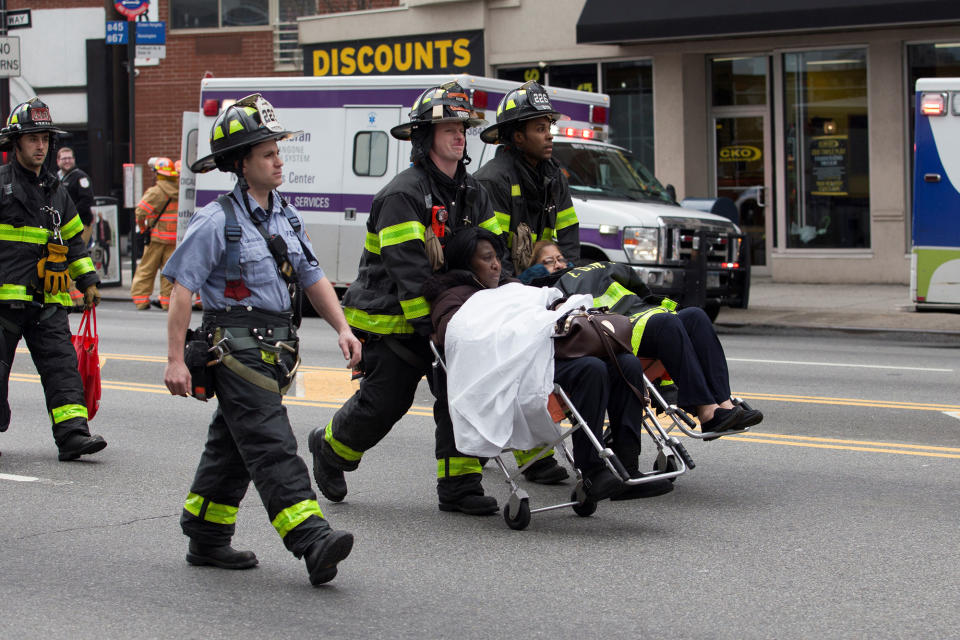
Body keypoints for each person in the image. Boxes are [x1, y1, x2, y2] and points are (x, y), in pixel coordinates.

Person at [162, 94, 361, 586]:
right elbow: (181, 292)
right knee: (272, 443)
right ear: (241, 163)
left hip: (275, 351)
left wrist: (343, 327)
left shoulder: (286, 216)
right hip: (234, 351)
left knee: (233, 444)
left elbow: (313, 277)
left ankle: (206, 534)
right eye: (267, 152)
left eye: (278, 150)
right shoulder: (216, 220)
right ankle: (312, 538)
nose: (278, 160)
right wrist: (174, 361)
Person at [307, 81, 505, 516]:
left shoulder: (474, 192)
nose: (459, 135)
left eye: (463, 127)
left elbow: (490, 254)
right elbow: (410, 276)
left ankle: (459, 486)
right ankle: (331, 449)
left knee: (459, 392)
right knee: (386, 404)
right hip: (394, 319)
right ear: (424, 136)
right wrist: (434, 328)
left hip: (448, 318)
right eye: (448, 127)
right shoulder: (403, 194)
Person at [424, 227, 661, 502]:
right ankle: (592, 470)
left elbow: (540, 308)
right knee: (591, 370)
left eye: (497, 257)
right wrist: (519, 327)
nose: (496, 264)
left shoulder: (510, 286)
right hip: (516, 368)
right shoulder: (452, 297)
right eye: (487, 258)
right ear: (467, 264)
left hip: (549, 352)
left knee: (627, 363)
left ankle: (627, 467)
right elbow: (459, 336)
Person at [522, 240, 763, 440]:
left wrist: (649, 301)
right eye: (548, 261)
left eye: (560, 258)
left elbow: (634, 282)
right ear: (535, 269)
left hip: (639, 312)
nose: (558, 264)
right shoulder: (542, 290)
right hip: (615, 331)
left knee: (697, 316)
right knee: (667, 323)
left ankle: (724, 405)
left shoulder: (595, 268)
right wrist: (538, 276)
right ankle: (706, 412)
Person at [473, 80, 580, 484]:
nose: (549, 134)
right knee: (519, 367)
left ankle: (529, 448)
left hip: (542, 288)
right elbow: (492, 255)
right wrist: (522, 289)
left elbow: (568, 235)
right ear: (517, 137)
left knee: (545, 367)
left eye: (549, 125)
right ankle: (531, 454)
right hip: (505, 292)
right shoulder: (494, 181)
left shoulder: (553, 175)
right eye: (539, 128)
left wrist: (566, 280)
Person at [0, 97, 106, 461]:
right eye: (33, 138)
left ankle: (73, 435)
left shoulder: (56, 190)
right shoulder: (1, 185)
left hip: (48, 299)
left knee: (62, 367)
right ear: (16, 143)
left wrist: (88, 280)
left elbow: (74, 240)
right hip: (4, 301)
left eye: (45, 138)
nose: (41, 145)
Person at [131, 157, 179, 310]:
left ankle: (141, 300)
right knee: (169, 272)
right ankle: (167, 302)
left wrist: (143, 229)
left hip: (157, 238)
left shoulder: (156, 191)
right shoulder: (180, 189)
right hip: (174, 239)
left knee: (146, 269)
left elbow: (140, 212)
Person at [56, 146, 94, 246]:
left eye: (70, 158)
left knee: (78, 254)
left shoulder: (81, 177)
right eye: (64, 159)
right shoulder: (55, 178)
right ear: (58, 161)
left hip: (81, 224)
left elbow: (87, 200)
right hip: (63, 227)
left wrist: (69, 214)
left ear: (74, 160)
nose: (67, 161)